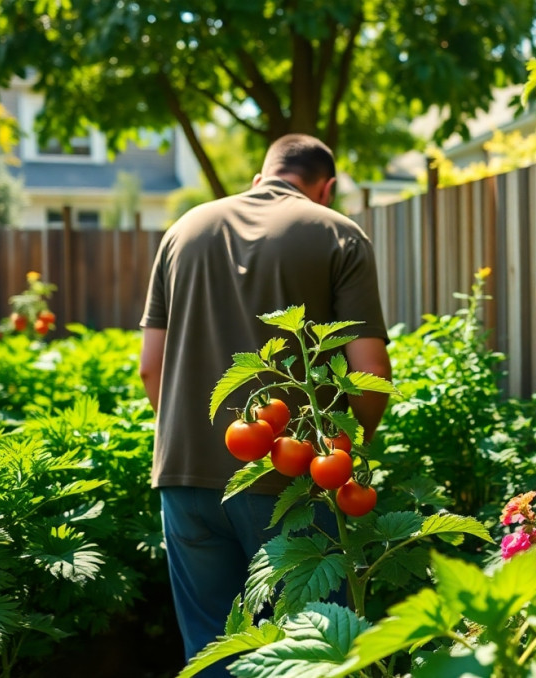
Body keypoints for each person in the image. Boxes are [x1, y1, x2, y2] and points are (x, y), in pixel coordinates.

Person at [138, 134, 391, 674]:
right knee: (307, 652)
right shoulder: (338, 234)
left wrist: (190, 443)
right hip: (292, 481)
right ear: (327, 187)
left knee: (213, 648)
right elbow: (370, 374)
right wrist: (353, 456)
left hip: (183, 479)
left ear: (261, 175)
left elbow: (149, 367)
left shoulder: (183, 230)